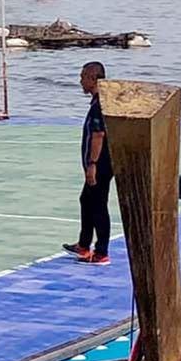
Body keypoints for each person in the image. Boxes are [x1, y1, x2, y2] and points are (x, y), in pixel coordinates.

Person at [64, 61, 112, 265]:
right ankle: (84, 245)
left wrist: (92, 164)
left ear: (93, 78)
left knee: (98, 204)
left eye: (83, 76)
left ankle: (101, 252)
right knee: (87, 200)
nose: (80, 81)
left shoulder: (99, 104)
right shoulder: (100, 101)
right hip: (99, 163)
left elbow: (98, 134)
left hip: (100, 164)